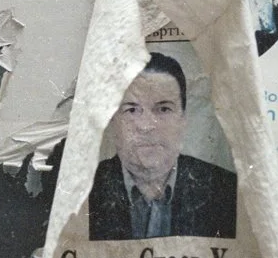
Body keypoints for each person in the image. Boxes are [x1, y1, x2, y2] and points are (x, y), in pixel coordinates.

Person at [87, 53, 236, 241]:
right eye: (131, 110)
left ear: (183, 119)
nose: (146, 126)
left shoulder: (227, 192)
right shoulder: (82, 192)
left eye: (163, 109)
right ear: (113, 121)